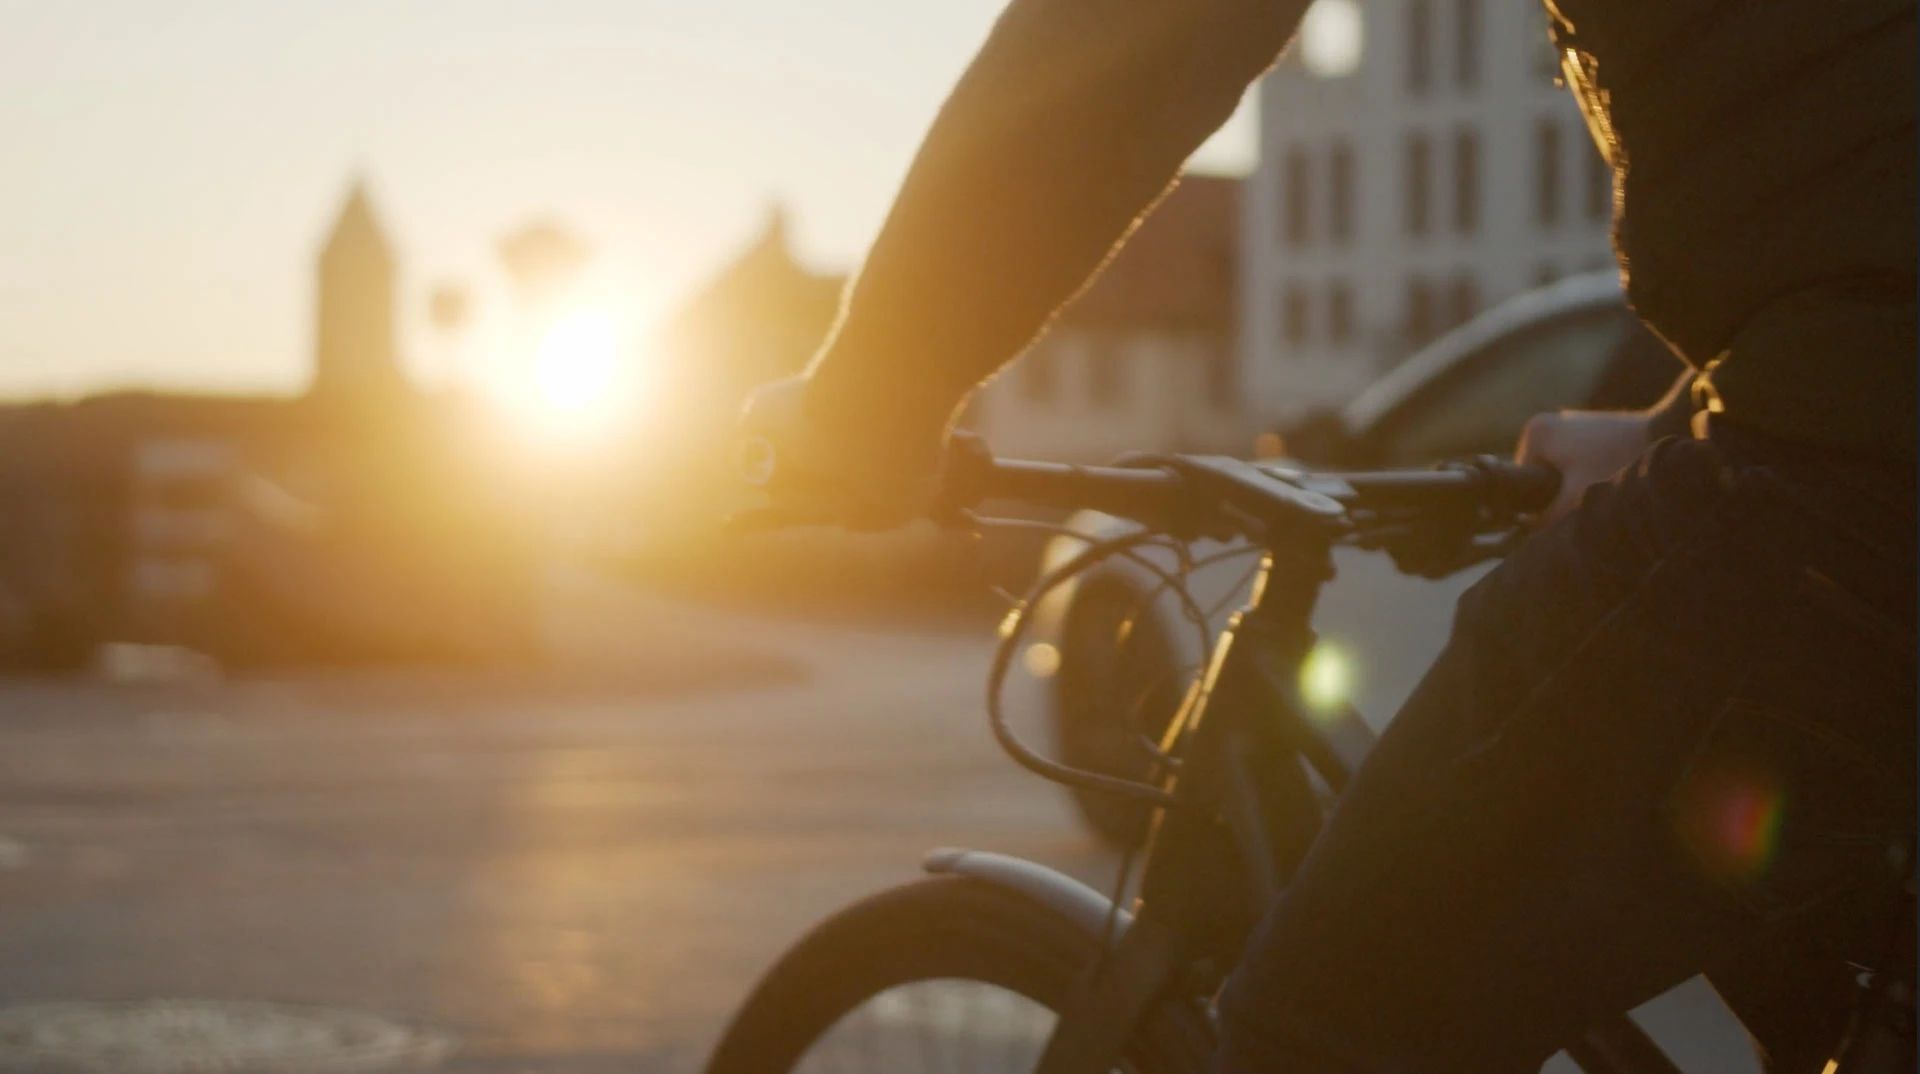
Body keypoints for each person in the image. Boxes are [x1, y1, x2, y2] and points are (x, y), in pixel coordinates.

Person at [743, 0, 1917, 1068]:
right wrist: (1680, 418)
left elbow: (1130, 40)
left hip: (1848, 497)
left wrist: (868, 406)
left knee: (1330, 1030)